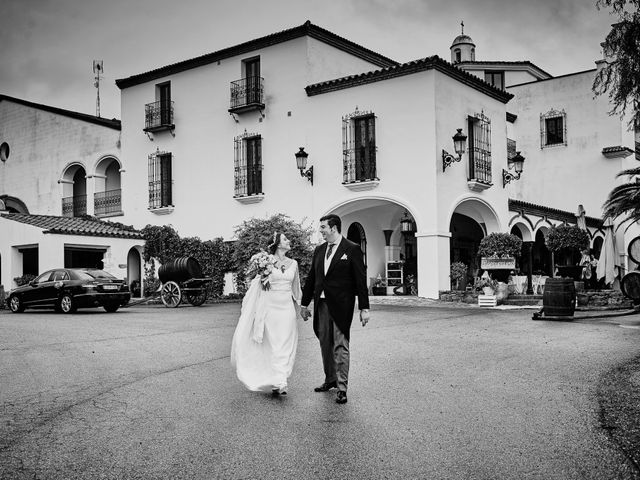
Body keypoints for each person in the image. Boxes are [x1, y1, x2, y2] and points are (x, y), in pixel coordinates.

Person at [300, 214, 370, 404]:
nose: (320, 231)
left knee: (341, 346)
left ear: (334, 228)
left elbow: (360, 280)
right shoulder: (320, 250)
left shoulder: (352, 249)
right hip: (322, 304)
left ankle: (341, 387)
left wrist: (364, 307)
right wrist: (304, 304)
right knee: (325, 343)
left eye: (323, 227)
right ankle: (329, 379)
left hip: (342, 305)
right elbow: (311, 279)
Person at [230, 232, 302, 395]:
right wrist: (261, 279)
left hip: (286, 309)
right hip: (270, 308)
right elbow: (255, 283)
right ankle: (279, 381)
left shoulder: (294, 263)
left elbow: (296, 288)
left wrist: (302, 306)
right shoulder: (265, 260)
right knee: (274, 344)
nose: (288, 240)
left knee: (285, 343)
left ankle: (280, 379)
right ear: (277, 244)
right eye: (285, 239)